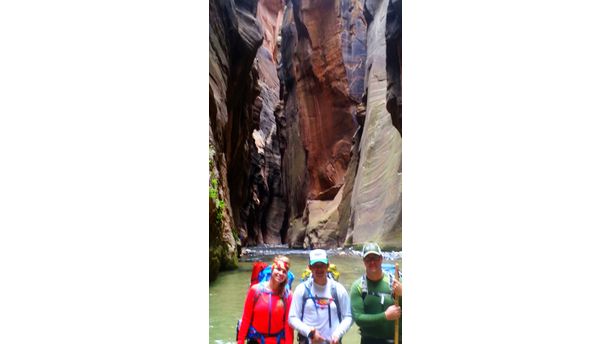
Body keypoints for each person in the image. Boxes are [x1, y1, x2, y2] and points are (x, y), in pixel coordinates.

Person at [289, 249, 353, 344]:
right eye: (315, 266)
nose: (319, 269)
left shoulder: (338, 289)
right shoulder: (302, 289)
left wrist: (337, 334)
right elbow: (292, 318)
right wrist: (309, 332)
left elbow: (348, 316)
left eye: (322, 265)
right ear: (310, 267)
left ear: (327, 266)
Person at [349, 243, 402, 344]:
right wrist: (385, 316)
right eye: (368, 259)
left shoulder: (396, 282)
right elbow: (359, 318)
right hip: (368, 341)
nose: (372, 262)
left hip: (395, 340)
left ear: (381, 258)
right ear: (364, 261)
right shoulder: (358, 287)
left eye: (375, 258)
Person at [237, 255, 294, 344]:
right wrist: (240, 342)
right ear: (272, 269)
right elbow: (246, 319)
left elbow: (288, 326)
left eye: (284, 271)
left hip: (278, 341)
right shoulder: (255, 290)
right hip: (256, 341)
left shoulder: (288, 296)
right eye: (278, 269)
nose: (281, 273)